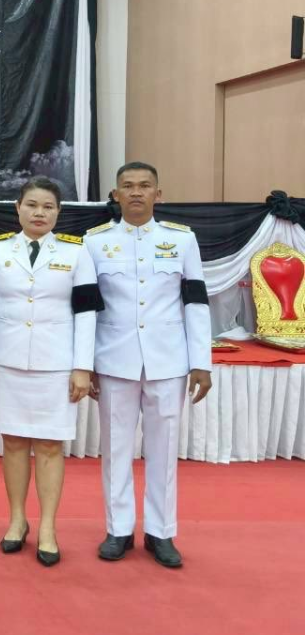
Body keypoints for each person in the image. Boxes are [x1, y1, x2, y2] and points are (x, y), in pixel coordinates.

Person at [84, 162, 212, 568]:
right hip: (114, 358)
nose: (136, 192)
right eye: (128, 186)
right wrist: (84, 364)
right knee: (115, 449)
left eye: (145, 186)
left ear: (159, 194)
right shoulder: (95, 242)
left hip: (167, 360)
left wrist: (201, 362)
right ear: (115, 194)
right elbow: (86, 308)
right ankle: (118, 529)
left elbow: (195, 301)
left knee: (164, 450)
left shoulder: (182, 241)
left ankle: (161, 532)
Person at [0, 177, 101, 567]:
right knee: (13, 443)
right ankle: (17, 520)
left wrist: (83, 367)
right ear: (18, 208)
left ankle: (47, 526)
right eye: (32, 205)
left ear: (58, 213)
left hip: (56, 364)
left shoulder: (77, 255)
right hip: (7, 361)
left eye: (48, 207)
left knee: (49, 446)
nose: (39, 213)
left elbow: (86, 312)